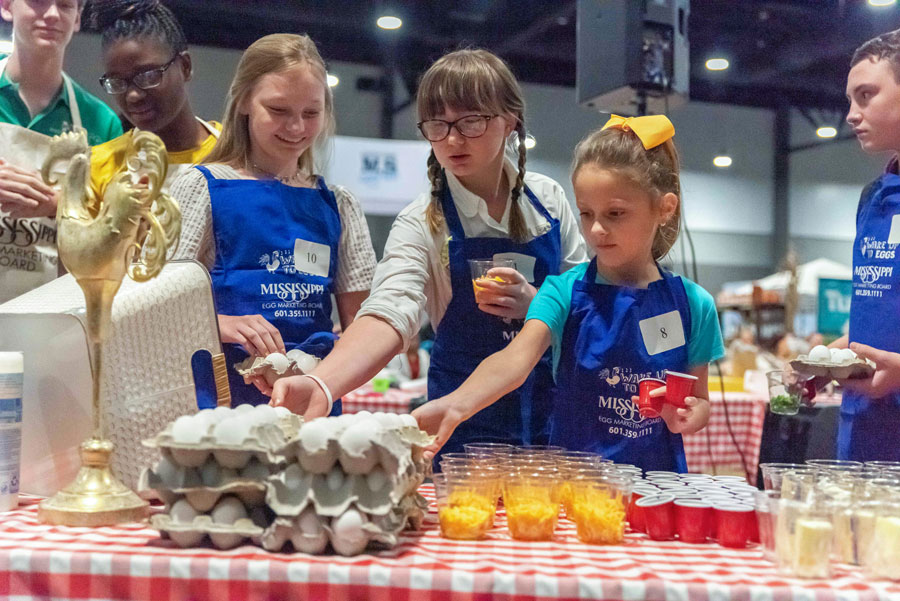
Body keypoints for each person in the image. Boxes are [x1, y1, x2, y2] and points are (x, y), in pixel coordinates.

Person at [269, 49, 588, 457]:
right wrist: (322, 382)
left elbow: (586, 304)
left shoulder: (547, 199)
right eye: (438, 125)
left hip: (554, 418)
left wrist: (537, 303)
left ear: (511, 121)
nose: (453, 139)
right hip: (458, 425)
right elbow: (388, 311)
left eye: (471, 121)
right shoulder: (422, 220)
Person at [411, 115, 724, 471]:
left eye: (616, 213)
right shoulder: (562, 292)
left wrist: (690, 415)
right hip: (576, 486)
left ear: (665, 209)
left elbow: (699, 400)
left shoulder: (693, 305)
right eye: (586, 213)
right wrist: (458, 402)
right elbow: (513, 360)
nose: (596, 229)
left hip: (654, 492)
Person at [170, 33, 376, 408]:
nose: (296, 128)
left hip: (311, 406)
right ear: (245, 100)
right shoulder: (201, 187)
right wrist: (220, 324)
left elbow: (364, 328)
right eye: (279, 111)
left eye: (311, 113)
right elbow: (154, 309)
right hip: (219, 405)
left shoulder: (338, 204)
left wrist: (319, 372)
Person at [0, 0, 122, 303]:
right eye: (38, 2)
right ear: (6, 6)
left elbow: (116, 231)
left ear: (77, 18)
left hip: (52, 312)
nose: (52, 14)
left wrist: (61, 203)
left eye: (65, 5)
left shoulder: (101, 122)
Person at [831, 27, 900, 460]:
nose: (852, 114)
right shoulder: (870, 199)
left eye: (866, 95)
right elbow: (878, 308)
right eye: (849, 101)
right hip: (863, 426)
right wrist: (832, 355)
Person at [88, 0, 220, 199]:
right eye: (116, 81)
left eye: (148, 76)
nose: (133, 95)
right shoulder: (100, 167)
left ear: (185, 66)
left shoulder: (237, 151)